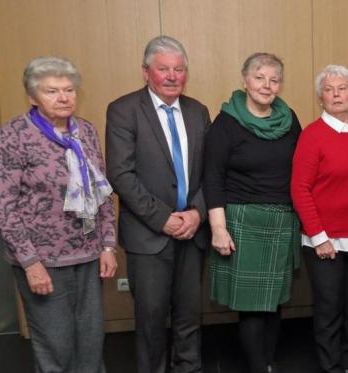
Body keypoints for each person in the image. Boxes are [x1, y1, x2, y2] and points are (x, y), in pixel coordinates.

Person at [0, 56, 117, 373]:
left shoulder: (84, 132)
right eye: (52, 91)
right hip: (43, 260)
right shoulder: (16, 135)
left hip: (87, 255)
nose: (63, 97)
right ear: (33, 97)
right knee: (56, 345)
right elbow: (2, 204)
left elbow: (102, 193)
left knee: (90, 341)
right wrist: (30, 262)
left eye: (69, 90)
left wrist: (108, 246)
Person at [106, 36, 210, 373]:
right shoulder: (123, 110)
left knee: (189, 316)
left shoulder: (198, 111)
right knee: (150, 322)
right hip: (148, 235)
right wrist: (163, 219)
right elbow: (121, 175)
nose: (171, 76)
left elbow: (211, 171)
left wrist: (197, 212)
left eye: (178, 69)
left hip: (193, 234)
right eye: (163, 68)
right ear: (145, 72)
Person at [204, 52, 302, 373]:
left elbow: (301, 172)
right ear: (245, 80)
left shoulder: (290, 120)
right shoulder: (226, 123)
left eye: (274, 79)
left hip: (283, 219)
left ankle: (270, 363)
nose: (266, 85)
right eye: (259, 77)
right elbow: (213, 178)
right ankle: (258, 367)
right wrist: (218, 228)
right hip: (242, 220)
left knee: (275, 302)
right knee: (252, 307)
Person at [291, 64, 348, 373]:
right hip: (324, 239)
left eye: (342, 88)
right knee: (329, 308)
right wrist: (319, 236)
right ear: (321, 98)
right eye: (329, 90)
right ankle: (330, 366)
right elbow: (299, 189)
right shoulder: (312, 135)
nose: (336, 94)